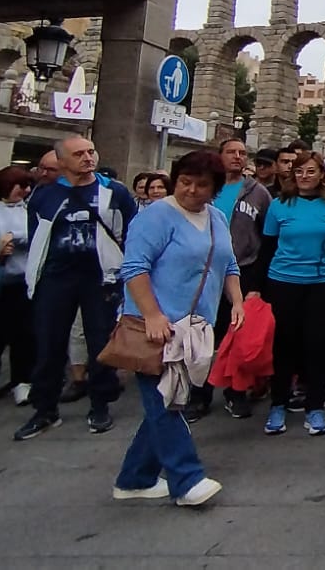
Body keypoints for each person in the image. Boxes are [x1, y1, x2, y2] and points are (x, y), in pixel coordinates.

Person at [110, 149, 244, 506]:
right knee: (165, 402)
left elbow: (228, 263)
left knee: (169, 399)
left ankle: (134, 478)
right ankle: (187, 479)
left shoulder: (215, 217)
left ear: (214, 189)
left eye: (202, 185)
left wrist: (238, 301)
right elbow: (134, 267)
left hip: (196, 326)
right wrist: (152, 314)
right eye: (185, 182)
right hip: (157, 325)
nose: (191, 191)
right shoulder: (156, 217)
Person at [17, 136, 136, 441]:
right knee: (49, 344)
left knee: (100, 343)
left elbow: (131, 232)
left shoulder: (115, 192)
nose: (87, 158)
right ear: (62, 162)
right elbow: (36, 237)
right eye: (79, 154)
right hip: (56, 278)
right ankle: (45, 409)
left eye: (91, 151)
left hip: (100, 277)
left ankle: (100, 404)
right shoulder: (44, 195)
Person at [259, 151, 325, 437]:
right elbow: (267, 248)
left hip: (322, 282)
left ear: (321, 174)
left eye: (311, 171)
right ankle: (278, 403)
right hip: (283, 281)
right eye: (299, 171)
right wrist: (258, 289)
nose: (304, 176)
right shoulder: (279, 205)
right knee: (284, 344)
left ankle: (315, 405)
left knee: (319, 344)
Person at [188, 137, 271, 420]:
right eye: (231, 152)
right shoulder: (204, 188)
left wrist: (258, 283)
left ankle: (236, 393)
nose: (237, 157)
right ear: (219, 156)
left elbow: (266, 236)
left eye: (242, 153)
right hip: (203, 272)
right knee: (202, 336)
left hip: (243, 269)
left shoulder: (258, 193)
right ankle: (198, 395)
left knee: (235, 335)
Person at [0, 167, 35, 404]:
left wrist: (15, 238)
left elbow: (36, 234)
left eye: (27, 186)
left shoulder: (29, 210)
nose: (24, 191)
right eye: (19, 186)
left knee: (22, 334)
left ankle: (22, 380)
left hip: (20, 281)